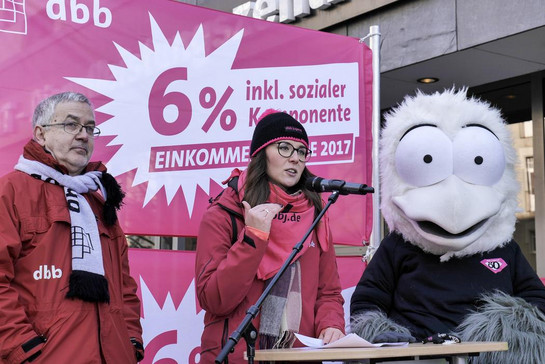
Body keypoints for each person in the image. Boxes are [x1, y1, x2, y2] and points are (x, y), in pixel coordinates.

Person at [0, 92, 144, 363]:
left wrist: (131, 342)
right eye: (71, 125)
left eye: (89, 128)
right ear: (41, 134)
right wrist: (25, 351)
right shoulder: (10, 192)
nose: (83, 135)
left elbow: (124, 287)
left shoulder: (99, 199)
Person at [195, 110, 345, 363]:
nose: (295, 158)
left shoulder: (315, 212)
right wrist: (252, 237)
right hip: (237, 356)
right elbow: (214, 299)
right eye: (284, 148)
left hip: (299, 356)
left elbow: (328, 292)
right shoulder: (225, 212)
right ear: (261, 153)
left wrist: (331, 324)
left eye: (301, 151)